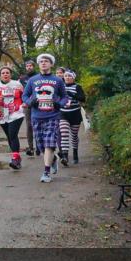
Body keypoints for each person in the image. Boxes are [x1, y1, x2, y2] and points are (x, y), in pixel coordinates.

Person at [21, 53, 68, 183]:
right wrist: (31, 102)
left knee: (49, 144)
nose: (43, 63)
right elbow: (24, 96)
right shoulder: (32, 80)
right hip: (36, 116)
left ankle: (46, 172)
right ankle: (52, 159)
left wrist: (59, 103)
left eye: (46, 61)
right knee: (41, 146)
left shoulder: (58, 80)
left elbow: (65, 97)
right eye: (41, 61)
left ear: (51, 64)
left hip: (52, 116)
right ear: (39, 64)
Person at [0, 66, 24, 169]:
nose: (5, 74)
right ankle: (17, 158)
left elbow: (24, 95)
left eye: (7, 73)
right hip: (2, 114)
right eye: (3, 73)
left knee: (12, 134)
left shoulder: (17, 84)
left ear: (10, 74)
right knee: (9, 136)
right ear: (0, 75)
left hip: (16, 113)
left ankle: (15, 158)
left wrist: (24, 103)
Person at [59, 70, 87, 165]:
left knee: (74, 135)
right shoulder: (60, 86)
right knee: (64, 134)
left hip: (75, 114)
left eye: (69, 76)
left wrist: (72, 95)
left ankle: (75, 153)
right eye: (65, 76)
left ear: (73, 78)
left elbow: (82, 98)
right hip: (63, 113)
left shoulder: (77, 87)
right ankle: (65, 156)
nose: (67, 77)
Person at [18, 59, 38, 157]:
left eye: (30, 66)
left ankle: (39, 147)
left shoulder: (39, 76)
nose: (29, 67)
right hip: (27, 105)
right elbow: (20, 92)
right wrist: (23, 102)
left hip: (39, 104)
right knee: (29, 126)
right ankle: (31, 148)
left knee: (38, 125)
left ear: (34, 67)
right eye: (27, 66)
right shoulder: (22, 79)